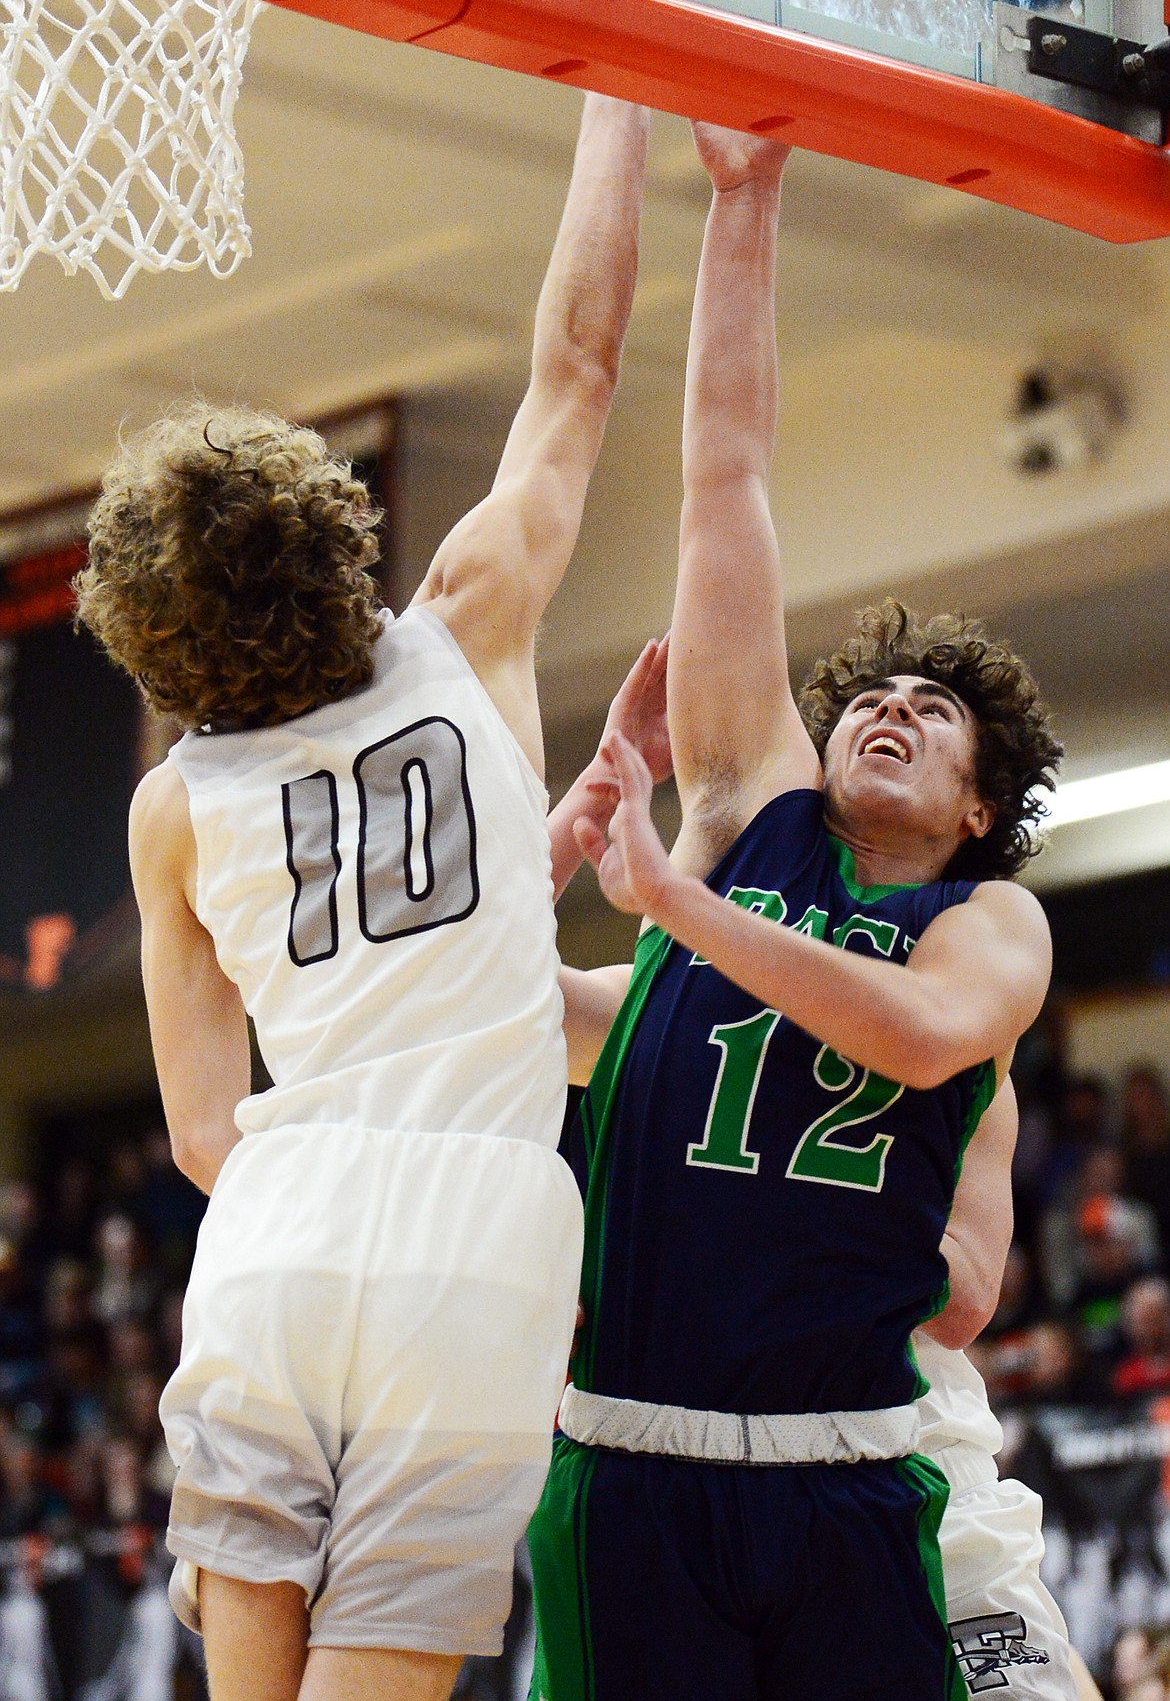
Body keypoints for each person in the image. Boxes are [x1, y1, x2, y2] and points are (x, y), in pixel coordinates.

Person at [74, 93, 650, 1701]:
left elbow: (203, 1137)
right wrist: (619, 85)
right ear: (334, 532)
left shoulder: (172, 811)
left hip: (285, 1224)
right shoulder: (462, 622)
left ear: (149, 635)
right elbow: (579, 366)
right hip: (475, 1228)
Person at [529, 122, 1062, 1701]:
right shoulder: (743, 812)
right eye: (870, 694)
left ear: (979, 807)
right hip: (638, 1453)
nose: (890, 709)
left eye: (932, 713)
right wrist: (747, 197)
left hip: (853, 1461)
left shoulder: (989, 929)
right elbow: (726, 478)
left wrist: (673, 909)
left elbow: (906, 1037)